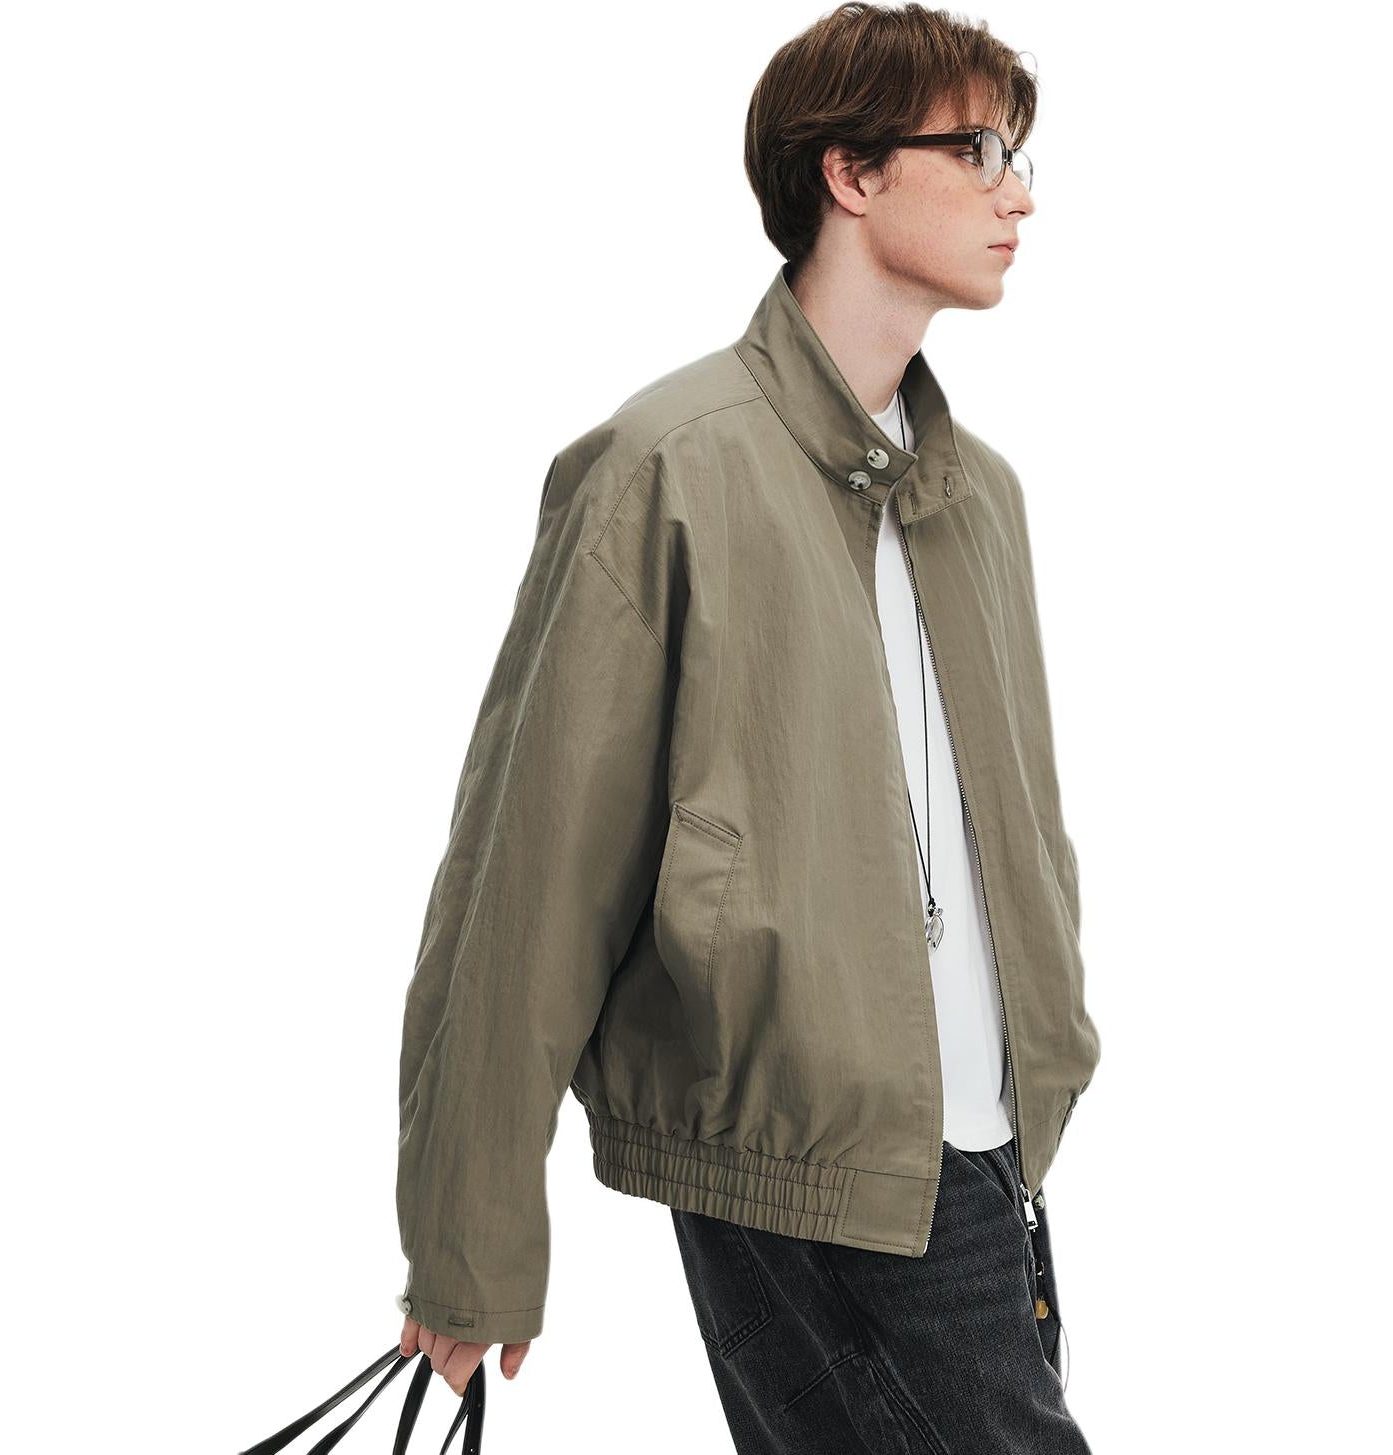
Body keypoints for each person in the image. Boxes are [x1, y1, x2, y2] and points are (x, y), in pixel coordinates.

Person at [395, 5, 1100, 1449]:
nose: (1018, 194)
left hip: (989, 1160)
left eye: (1017, 157)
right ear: (850, 172)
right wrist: (471, 1243)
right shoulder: (665, 467)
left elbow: (1015, 835)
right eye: (976, 150)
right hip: (810, 1161)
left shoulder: (979, 498)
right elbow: (526, 878)